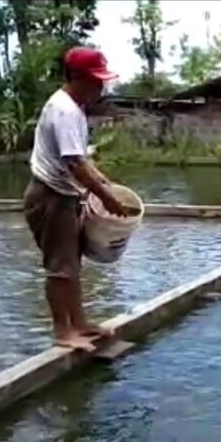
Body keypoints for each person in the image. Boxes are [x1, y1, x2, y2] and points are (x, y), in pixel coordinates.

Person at [23, 46, 128, 351]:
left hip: (63, 195)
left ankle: (79, 323)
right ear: (77, 77)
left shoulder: (74, 106)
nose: (101, 86)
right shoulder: (65, 111)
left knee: (72, 264)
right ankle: (63, 331)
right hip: (50, 196)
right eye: (96, 80)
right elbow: (75, 165)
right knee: (60, 267)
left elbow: (82, 159)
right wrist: (106, 197)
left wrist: (103, 181)